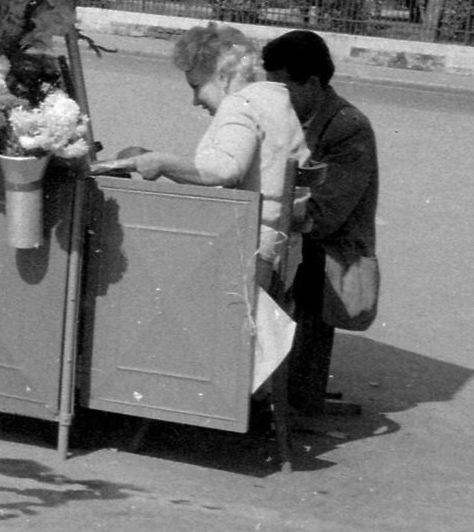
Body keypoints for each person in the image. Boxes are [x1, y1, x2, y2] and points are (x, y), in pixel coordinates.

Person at [101, 24, 308, 292]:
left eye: (197, 86)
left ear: (222, 76)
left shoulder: (240, 105)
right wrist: (161, 163)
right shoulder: (274, 99)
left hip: (251, 253)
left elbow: (224, 169)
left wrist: (161, 161)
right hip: (282, 249)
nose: (195, 100)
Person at [262, 29, 380, 417]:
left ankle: (293, 396)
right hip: (299, 234)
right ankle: (274, 390)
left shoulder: (348, 126)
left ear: (312, 83)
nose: (274, 97)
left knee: (299, 271)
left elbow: (327, 213)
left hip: (332, 250)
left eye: (282, 87)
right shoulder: (288, 113)